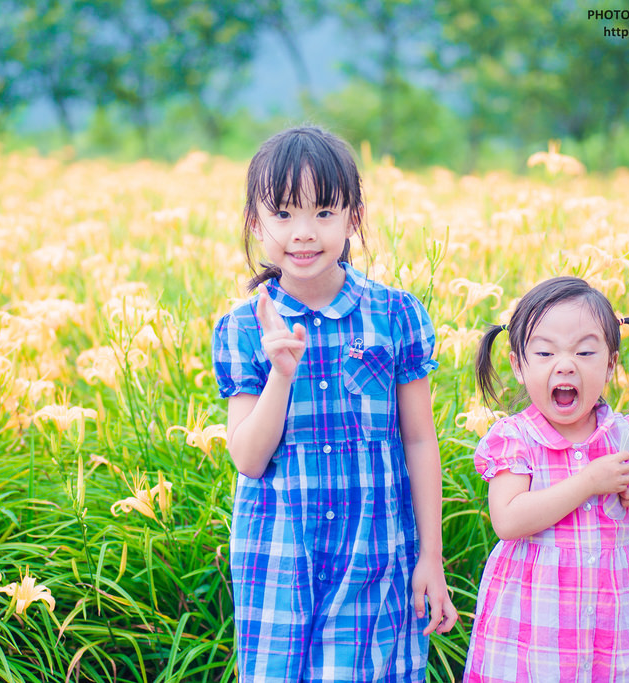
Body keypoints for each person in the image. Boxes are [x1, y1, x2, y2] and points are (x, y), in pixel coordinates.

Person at [212, 126, 457, 682]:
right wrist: (281, 374)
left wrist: (431, 558)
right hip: (278, 558)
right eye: (283, 215)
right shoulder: (243, 327)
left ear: (354, 218)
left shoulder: (395, 314)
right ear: (256, 222)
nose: (303, 233)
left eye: (324, 213)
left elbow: (419, 440)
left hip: (377, 557)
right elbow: (248, 459)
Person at [464, 276, 629, 682]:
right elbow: (507, 520)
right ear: (518, 366)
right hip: (534, 626)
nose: (565, 364)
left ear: (610, 365)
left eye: (585, 351)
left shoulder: (626, 433)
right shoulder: (516, 438)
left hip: (617, 623)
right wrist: (588, 482)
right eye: (544, 352)